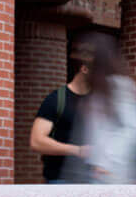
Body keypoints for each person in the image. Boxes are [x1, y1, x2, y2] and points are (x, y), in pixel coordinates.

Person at [71, 32, 136, 184]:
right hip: (95, 174)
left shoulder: (120, 86)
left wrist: (108, 160)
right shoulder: (97, 91)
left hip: (115, 173)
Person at [30, 41, 92, 183]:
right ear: (84, 69)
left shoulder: (99, 101)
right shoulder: (57, 99)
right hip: (61, 181)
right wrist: (78, 151)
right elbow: (36, 141)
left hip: (94, 182)